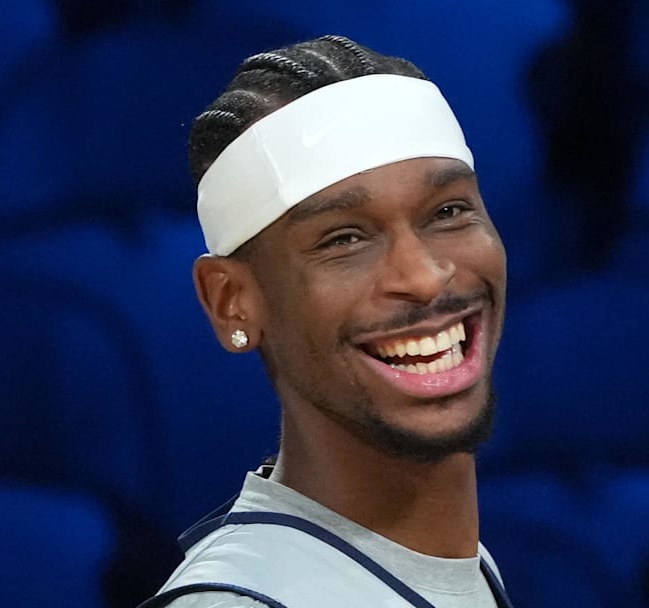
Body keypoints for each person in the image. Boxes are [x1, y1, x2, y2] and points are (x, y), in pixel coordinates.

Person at [141, 34, 510, 608]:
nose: (423, 277)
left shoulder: (458, 565)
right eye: (343, 239)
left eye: (448, 211)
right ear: (232, 301)